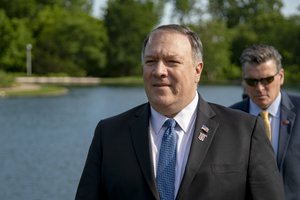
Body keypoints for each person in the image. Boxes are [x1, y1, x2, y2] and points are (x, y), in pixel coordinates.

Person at [75, 24, 284, 200]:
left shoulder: (245, 132)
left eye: (172, 62)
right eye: (150, 62)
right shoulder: (109, 133)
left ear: (197, 70)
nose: (159, 71)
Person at [230, 44, 300, 200]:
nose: (260, 88)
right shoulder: (230, 118)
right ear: (243, 81)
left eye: (267, 80)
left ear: (281, 76)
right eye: (252, 81)